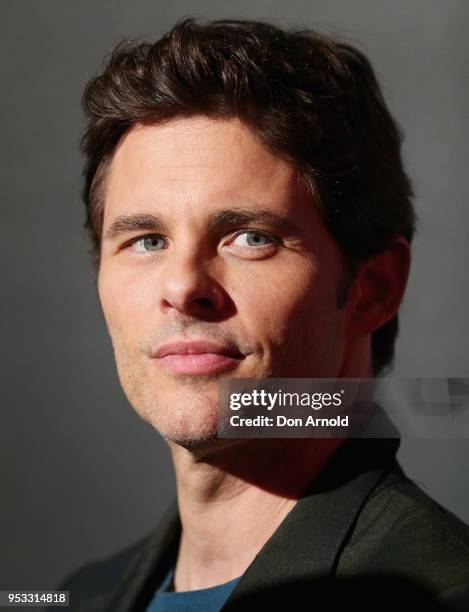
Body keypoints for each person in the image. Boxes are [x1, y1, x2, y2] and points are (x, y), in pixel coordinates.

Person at [55, 17, 469, 611]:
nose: (182, 286)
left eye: (249, 237)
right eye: (146, 239)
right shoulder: (78, 598)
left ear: (373, 288)